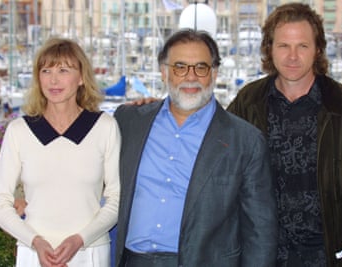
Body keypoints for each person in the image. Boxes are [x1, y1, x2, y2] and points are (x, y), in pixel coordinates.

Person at [226, 3, 342, 267]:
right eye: (283, 46)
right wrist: (151, 112)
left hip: (331, 258)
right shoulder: (248, 103)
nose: (292, 56)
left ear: (317, 49)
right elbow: (217, 160)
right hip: (264, 257)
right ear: (269, 49)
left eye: (302, 46)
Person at [114, 29, 278, 267]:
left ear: (214, 73)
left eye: (200, 67)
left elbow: (260, 232)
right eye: (180, 67)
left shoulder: (246, 141)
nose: (190, 77)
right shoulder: (129, 121)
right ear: (164, 72)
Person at [0, 37, 121, 267]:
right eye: (46, 70)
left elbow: (116, 200)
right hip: (34, 253)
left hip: (90, 252)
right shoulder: (19, 131)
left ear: (81, 77)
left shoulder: (104, 127)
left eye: (63, 70)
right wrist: (36, 242)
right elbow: (0, 204)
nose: (53, 79)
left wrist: (79, 240)